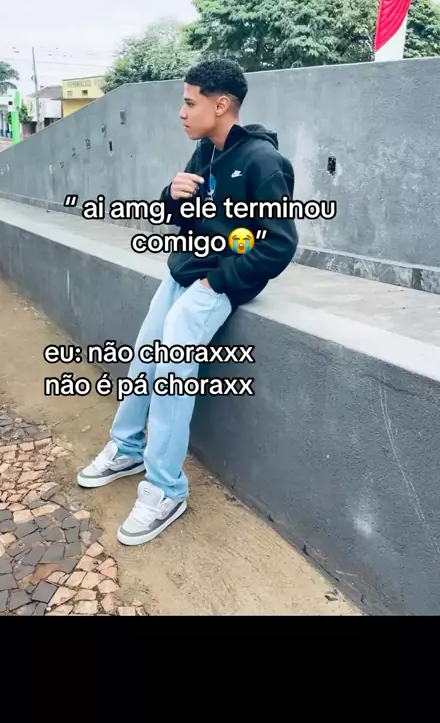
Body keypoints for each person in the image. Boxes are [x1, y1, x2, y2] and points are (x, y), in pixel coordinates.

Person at [77, 58, 298, 545]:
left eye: (189, 102)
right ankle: (127, 447)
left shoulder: (264, 162)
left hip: (217, 281)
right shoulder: (205, 151)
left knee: (173, 363)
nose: (181, 112)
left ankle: (165, 488)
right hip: (185, 269)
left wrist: (219, 282)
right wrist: (172, 196)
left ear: (221, 106)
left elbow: (279, 244)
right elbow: (185, 216)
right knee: (145, 352)